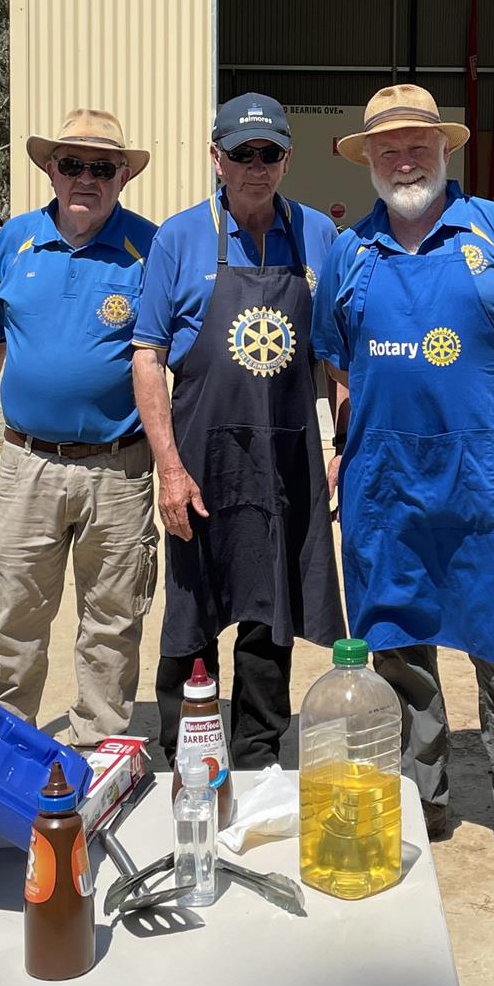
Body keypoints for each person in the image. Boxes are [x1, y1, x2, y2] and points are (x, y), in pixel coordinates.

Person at [311, 83, 494, 896]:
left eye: (417, 144)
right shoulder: (350, 252)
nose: (404, 158)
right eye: (387, 148)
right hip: (385, 488)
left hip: (487, 487)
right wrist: (351, 434)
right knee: (397, 652)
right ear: (367, 161)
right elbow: (336, 358)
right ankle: (416, 802)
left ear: (444, 149)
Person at [132, 94, 344, 768]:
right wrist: (168, 467)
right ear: (215, 157)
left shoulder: (318, 236)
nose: (256, 167)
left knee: (268, 602)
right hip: (202, 456)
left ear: (287, 157)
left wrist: (343, 444)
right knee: (194, 604)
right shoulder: (179, 237)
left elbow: (337, 356)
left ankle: (256, 750)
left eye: (270, 153)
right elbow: (148, 357)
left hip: (285, 453)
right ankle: (187, 754)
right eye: (241, 153)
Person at [0, 109, 159, 742]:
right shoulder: (16, 241)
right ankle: (10, 740)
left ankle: (101, 747)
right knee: (14, 613)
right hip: (27, 465)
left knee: (114, 620)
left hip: (119, 469)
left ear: (123, 175)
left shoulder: (148, 248)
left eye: (101, 167)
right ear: (50, 170)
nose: (85, 178)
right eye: (72, 165)